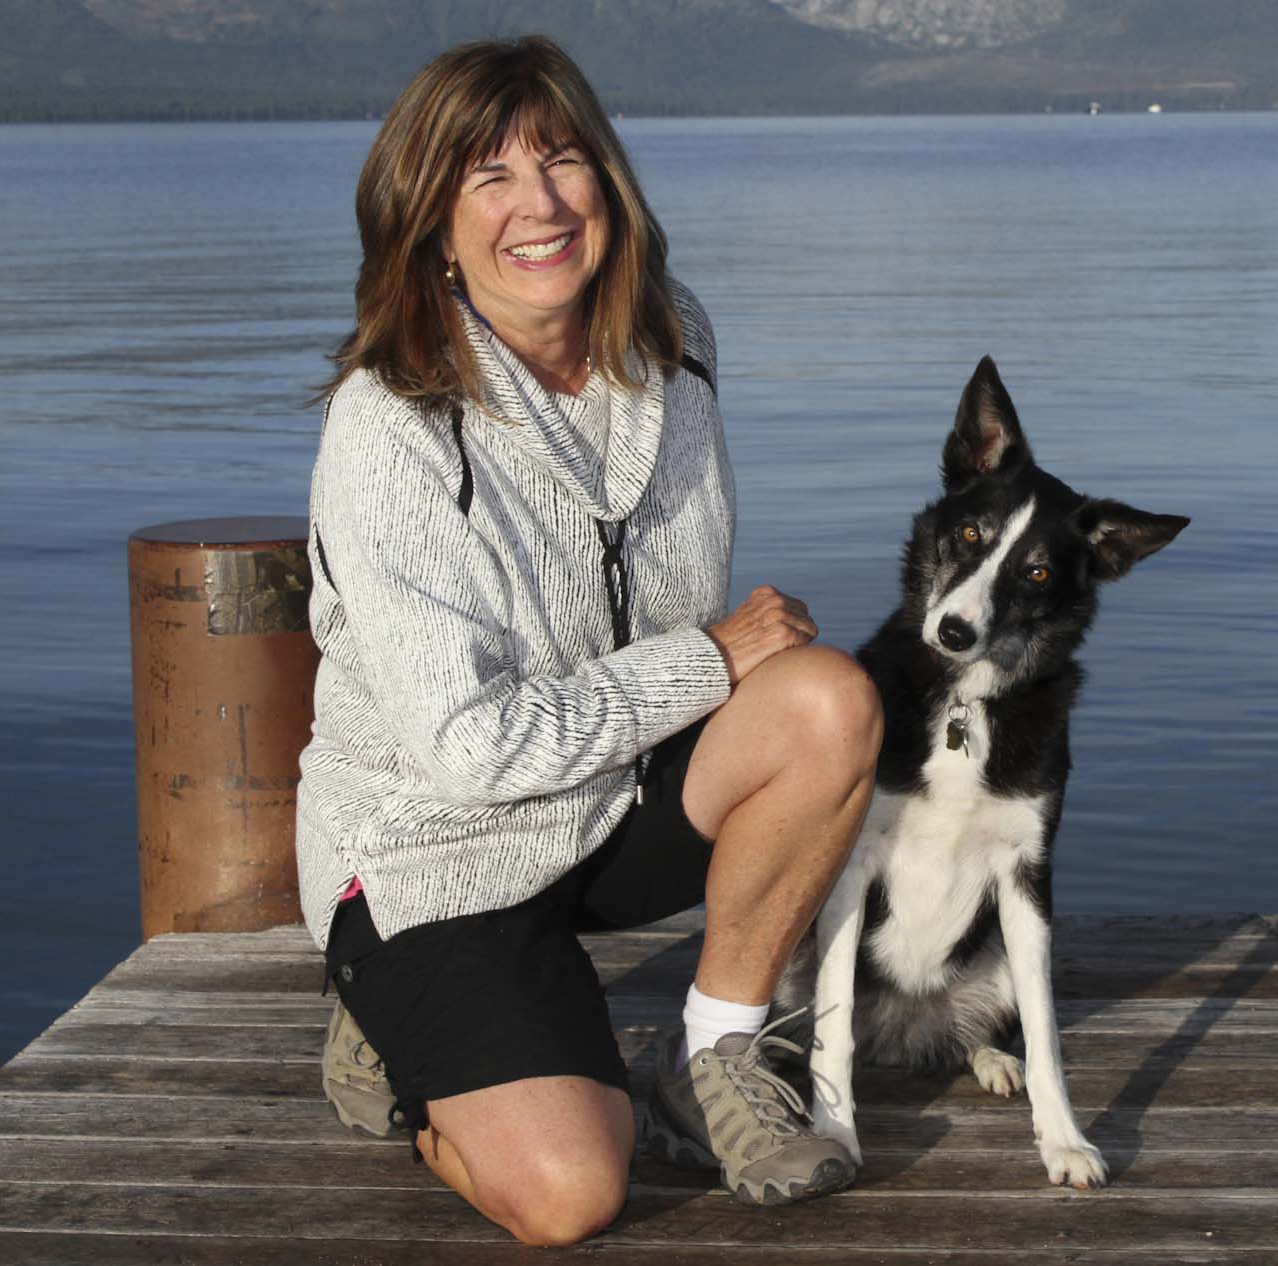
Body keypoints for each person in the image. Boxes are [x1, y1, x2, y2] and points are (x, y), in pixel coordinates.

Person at [298, 37, 880, 1245]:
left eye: (562, 161)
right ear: (430, 227)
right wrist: (709, 662)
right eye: (489, 179)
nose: (541, 205)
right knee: (570, 1197)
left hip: (605, 795)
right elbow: (467, 752)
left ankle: (710, 1058)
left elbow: (669, 612)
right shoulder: (391, 428)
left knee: (831, 702)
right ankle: (395, 1045)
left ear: (609, 181)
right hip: (432, 853)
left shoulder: (675, 346)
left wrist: (719, 670)